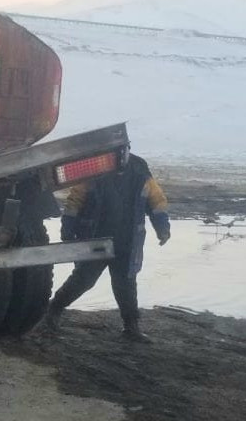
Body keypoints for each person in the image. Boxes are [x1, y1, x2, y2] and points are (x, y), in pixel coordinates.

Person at [43, 147, 170, 343]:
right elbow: (75, 200)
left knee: (125, 284)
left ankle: (131, 327)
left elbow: (156, 200)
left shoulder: (139, 169)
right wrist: (68, 229)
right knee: (84, 279)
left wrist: (162, 227)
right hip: (96, 237)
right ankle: (53, 311)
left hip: (128, 240)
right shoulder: (95, 167)